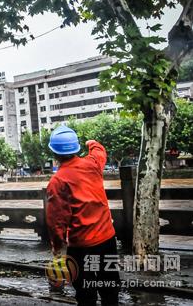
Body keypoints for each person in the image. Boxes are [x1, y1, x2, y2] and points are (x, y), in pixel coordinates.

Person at [45, 125, 119, 306]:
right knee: (110, 284)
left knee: (85, 291)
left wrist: (57, 246)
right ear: (76, 148)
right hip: (107, 239)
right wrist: (91, 142)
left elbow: (56, 221)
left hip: (81, 245)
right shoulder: (92, 164)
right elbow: (99, 151)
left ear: (54, 154)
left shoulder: (57, 181)